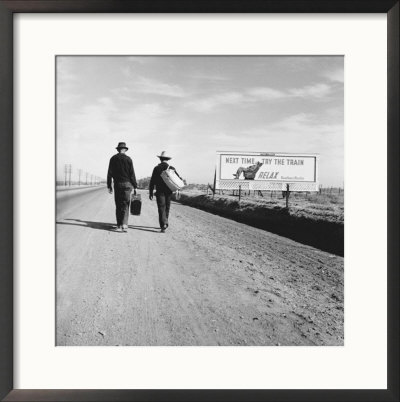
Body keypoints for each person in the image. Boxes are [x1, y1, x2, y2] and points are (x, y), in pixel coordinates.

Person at [107, 142, 137, 232]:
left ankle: (119, 225)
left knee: (118, 204)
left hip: (118, 184)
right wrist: (135, 186)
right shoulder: (129, 159)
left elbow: (109, 174)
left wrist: (109, 185)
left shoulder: (113, 158)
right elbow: (132, 174)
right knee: (126, 204)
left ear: (118, 149)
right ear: (125, 150)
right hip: (128, 184)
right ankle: (124, 224)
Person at [149, 151, 182, 233]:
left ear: (160, 159)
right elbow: (178, 179)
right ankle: (165, 222)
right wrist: (177, 189)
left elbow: (152, 181)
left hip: (160, 191)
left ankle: (163, 224)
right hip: (169, 191)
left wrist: (150, 192)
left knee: (161, 208)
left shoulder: (156, 168)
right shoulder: (171, 168)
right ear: (167, 159)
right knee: (167, 207)